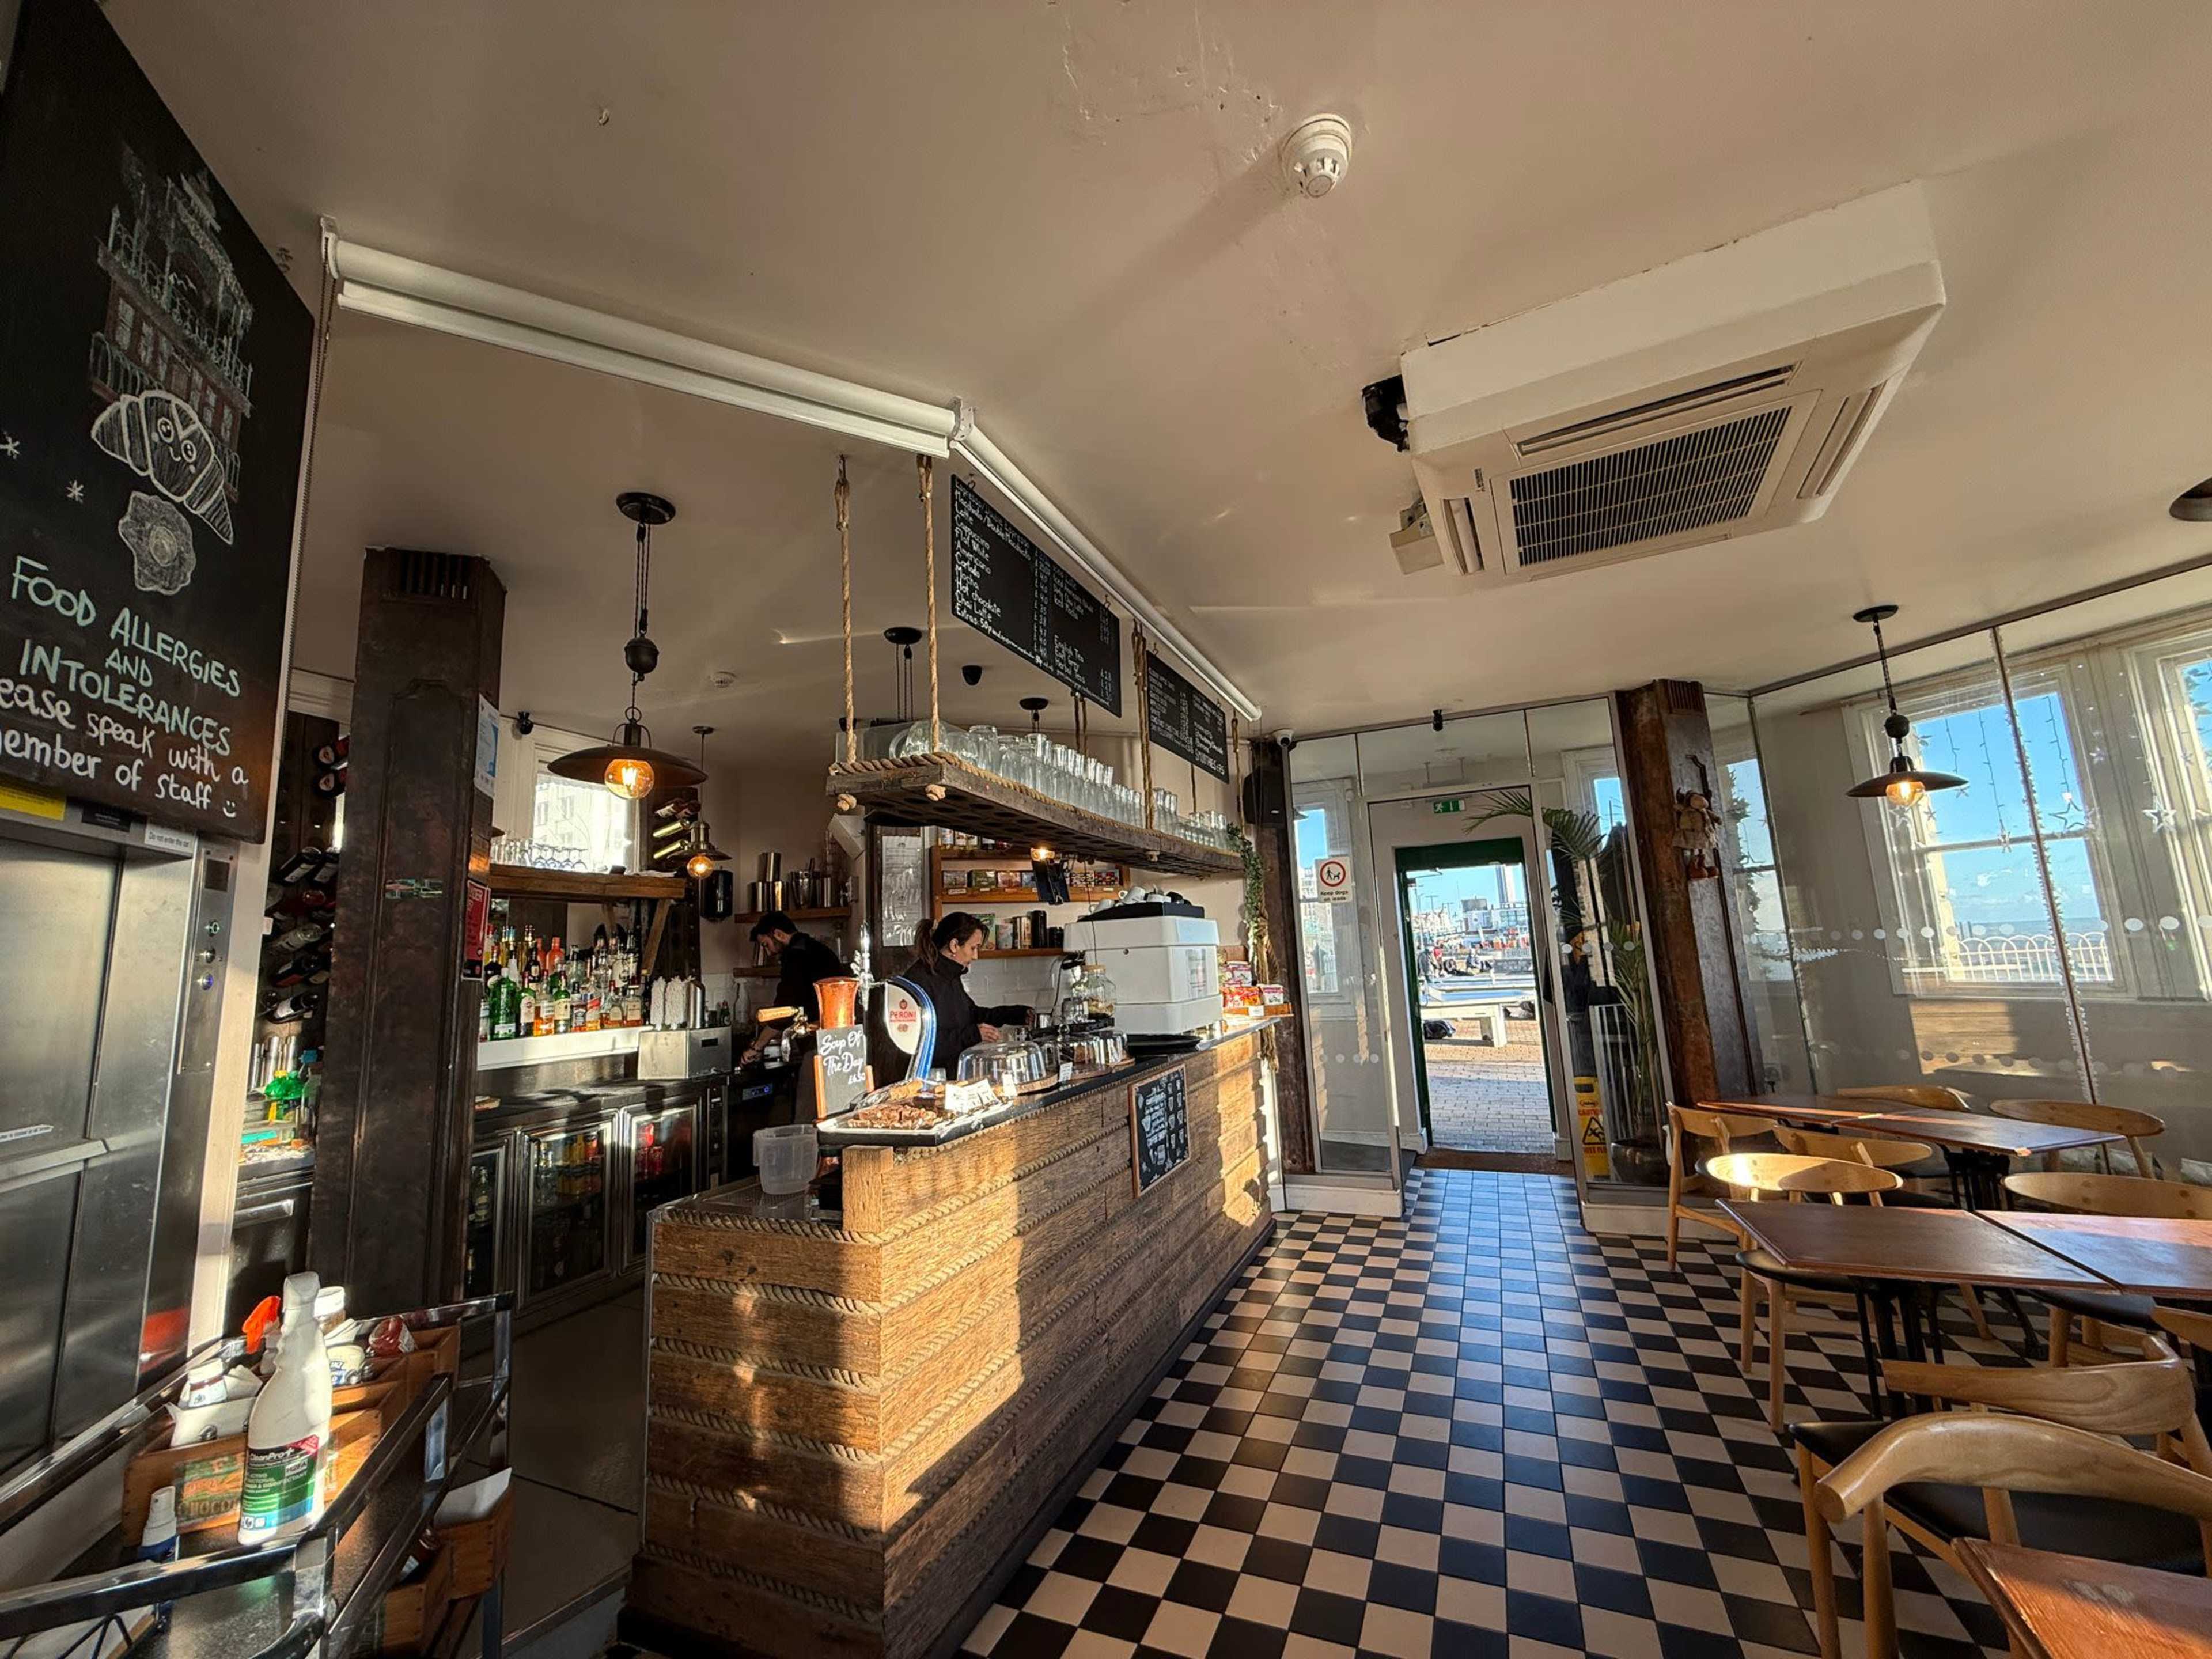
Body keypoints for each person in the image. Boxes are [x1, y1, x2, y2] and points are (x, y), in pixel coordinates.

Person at [903, 912, 1032, 1073]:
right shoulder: (919, 980)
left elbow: (971, 1014)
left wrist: (1017, 1014)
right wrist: (973, 1035)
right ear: (954, 945)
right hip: (932, 1080)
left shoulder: (949, 975)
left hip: (954, 1074)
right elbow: (918, 1041)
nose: (976, 956)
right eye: (973, 948)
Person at [751, 911, 850, 1025]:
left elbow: (784, 1009)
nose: (769, 953)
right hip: (838, 1024)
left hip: (820, 1029)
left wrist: (759, 1043)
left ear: (779, 934)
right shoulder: (815, 947)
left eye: (766, 945)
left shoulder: (795, 956)